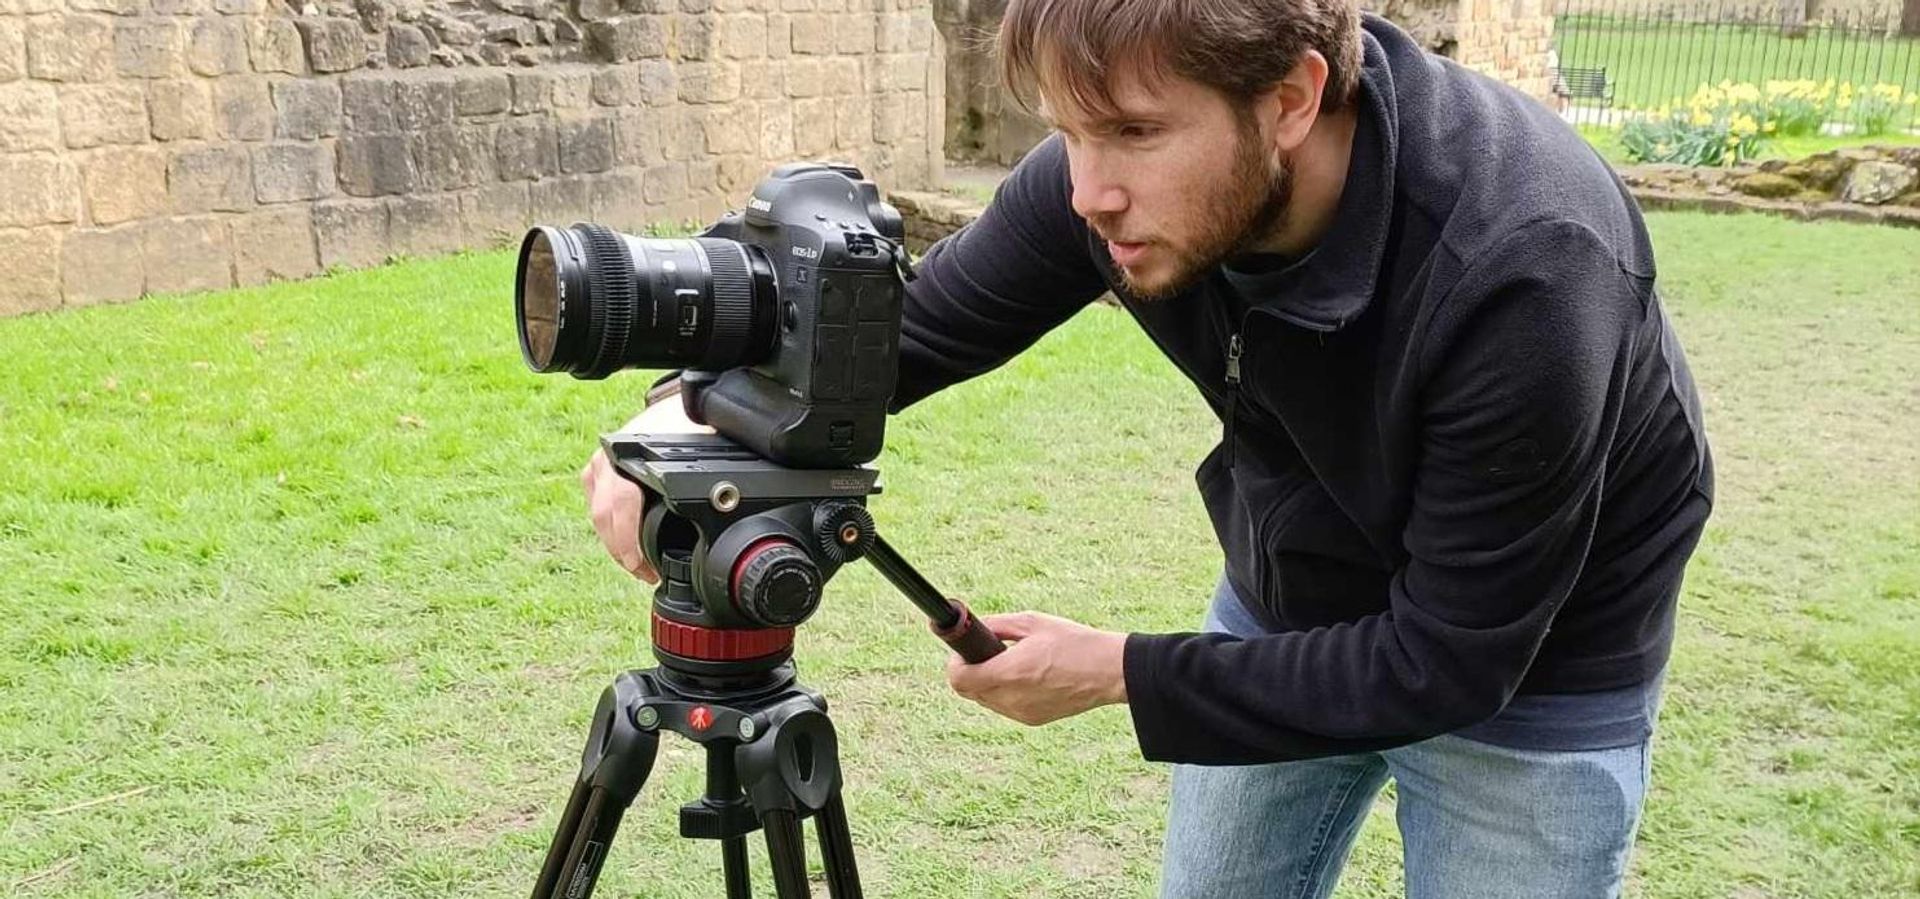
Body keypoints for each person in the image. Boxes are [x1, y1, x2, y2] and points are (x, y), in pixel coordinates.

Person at [580, 1, 1714, 896]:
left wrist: (1121, 669)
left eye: (1131, 131)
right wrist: (672, 427)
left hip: (1534, 655)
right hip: (1298, 581)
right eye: (1069, 131)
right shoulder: (1113, 192)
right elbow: (900, 339)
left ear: (1291, 97)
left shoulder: (1526, 267)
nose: (1088, 190)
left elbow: (1450, 661)